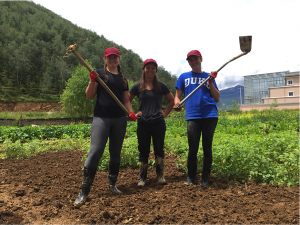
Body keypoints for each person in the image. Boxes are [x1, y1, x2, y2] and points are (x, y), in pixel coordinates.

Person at [74, 47, 136, 207]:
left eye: (115, 58)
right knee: (95, 152)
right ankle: (84, 192)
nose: (113, 60)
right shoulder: (99, 74)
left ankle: (112, 185)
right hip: (101, 117)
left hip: (119, 119)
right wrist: (92, 80)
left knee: (115, 153)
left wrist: (131, 112)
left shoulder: (123, 79)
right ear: (105, 59)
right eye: (110, 58)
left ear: (119, 59)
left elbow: (126, 100)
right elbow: (89, 95)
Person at [174, 50, 220, 187]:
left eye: (196, 59)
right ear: (188, 62)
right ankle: (191, 177)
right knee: (192, 147)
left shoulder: (208, 77)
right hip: (192, 115)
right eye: (191, 60)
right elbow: (177, 96)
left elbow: (217, 98)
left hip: (209, 114)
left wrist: (211, 82)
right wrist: (177, 103)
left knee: (207, 147)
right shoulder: (183, 77)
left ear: (201, 59)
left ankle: (205, 179)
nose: (193, 62)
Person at [129, 59, 174, 186]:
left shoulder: (161, 86)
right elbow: (126, 100)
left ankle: (160, 176)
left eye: (153, 68)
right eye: (148, 67)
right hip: (143, 123)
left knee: (159, 149)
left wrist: (165, 114)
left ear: (156, 70)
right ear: (144, 69)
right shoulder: (137, 86)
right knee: (143, 150)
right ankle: (142, 178)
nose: (150, 70)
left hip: (158, 122)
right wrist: (133, 113)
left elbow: (171, 100)